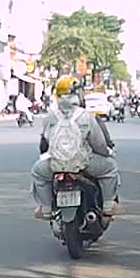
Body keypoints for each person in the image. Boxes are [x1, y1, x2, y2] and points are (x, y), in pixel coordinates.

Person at [30, 75, 122, 220]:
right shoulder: (86, 116)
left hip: (55, 164)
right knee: (110, 167)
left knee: (37, 172)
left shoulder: (50, 117)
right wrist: (107, 153)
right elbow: (98, 144)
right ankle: (108, 205)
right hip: (84, 163)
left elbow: (45, 142)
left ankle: (46, 208)